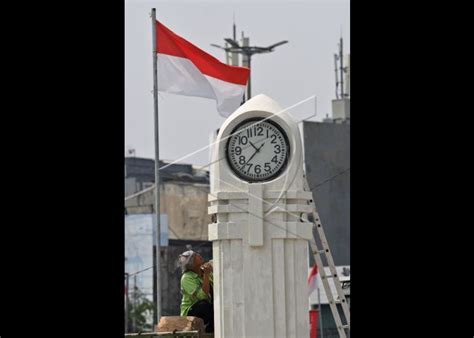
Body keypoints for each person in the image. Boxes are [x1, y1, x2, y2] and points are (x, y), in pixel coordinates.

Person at [177, 250, 214, 333]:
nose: (199, 255)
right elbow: (203, 296)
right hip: (191, 311)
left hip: (207, 309)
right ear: (191, 262)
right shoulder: (186, 277)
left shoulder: (205, 271)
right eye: (195, 255)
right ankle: (208, 329)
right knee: (204, 305)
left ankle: (211, 329)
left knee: (216, 306)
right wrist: (206, 275)